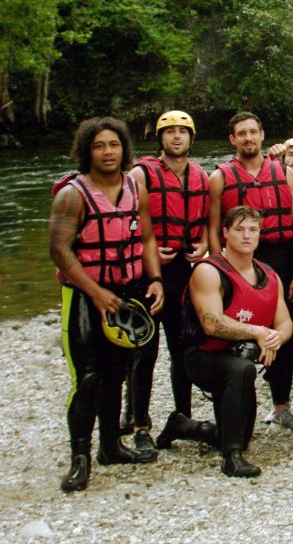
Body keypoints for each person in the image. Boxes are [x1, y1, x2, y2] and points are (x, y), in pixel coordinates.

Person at [49, 117, 165, 492]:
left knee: (117, 371)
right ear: (87, 151)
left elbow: (147, 237)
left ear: (123, 148)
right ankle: (80, 457)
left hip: (127, 290)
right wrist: (95, 292)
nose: (108, 152)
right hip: (84, 294)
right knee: (87, 377)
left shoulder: (135, 186)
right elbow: (60, 251)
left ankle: (111, 445)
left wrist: (156, 279)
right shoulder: (72, 195)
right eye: (99, 146)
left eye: (113, 144)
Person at [208, 112, 293, 430]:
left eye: (253, 132)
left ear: (263, 135)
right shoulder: (220, 178)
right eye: (242, 133)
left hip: (281, 259)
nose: (248, 138)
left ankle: (281, 406)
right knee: (238, 334)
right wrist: (218, 272)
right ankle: (234, 405)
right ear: (232, 140)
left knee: (284, 335)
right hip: (239, 263)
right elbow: (214, 229)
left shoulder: (286, 174)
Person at [184, 205, 292, 477]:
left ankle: (185, 426)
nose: (247, 236)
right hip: (203, 356)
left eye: (253, 230)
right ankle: (231, 458)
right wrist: (257, 331)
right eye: (239, 230)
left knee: (243, 434)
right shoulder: (208, 271)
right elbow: (211, 322)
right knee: (241, 370)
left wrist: (276, 337)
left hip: (239, 358)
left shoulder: (270, 275)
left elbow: (285, 322)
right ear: (225, 233)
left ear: (259, 234)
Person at [128, 110, 213, 452]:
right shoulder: (140, 174)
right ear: (160, 139)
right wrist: (144, 254)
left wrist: (206, 243)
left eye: (183, 132)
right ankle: (138, 425)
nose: (177, 137)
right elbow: (127, 221)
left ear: (191, 138)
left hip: (183, 271)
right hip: (148, 273)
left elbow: (207, 218)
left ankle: (183, 417)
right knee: (143, 352)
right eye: (170, 132)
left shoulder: (200, 175)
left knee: (183, 350)